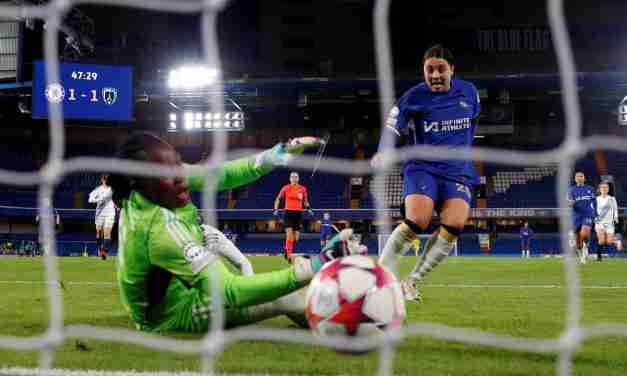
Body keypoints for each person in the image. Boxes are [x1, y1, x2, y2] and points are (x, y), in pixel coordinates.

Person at [109, 132, 359, 333]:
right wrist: (318, 264)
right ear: (140, 183)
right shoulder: (159, 230)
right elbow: (230, 291)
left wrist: (278, 154)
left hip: (175, 282)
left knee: (207, 235)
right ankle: (347, 327)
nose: (179, 174)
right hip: (172, 313)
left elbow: (221, 174)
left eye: (177, 163)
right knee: (288, 299)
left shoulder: (153, 186)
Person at [373, 44, 480, 302]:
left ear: (451, 70)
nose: (435, 75)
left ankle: (412, 281)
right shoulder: (414, 96)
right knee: (417, 221)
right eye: (429, 70)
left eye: (440, 69)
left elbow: (472, 125)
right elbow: (392, 125)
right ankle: (379, 278)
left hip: (457, 171)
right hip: (423, 167)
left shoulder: (470, 93)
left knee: (454, 225)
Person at [273, 172, 314, 263]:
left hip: (298, 214)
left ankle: (286, 248)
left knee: (296, 238)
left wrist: (309, 209)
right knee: (289, 235)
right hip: (288, 213)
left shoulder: (303, 189)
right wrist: (276, 209)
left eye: (296, 177)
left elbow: (306, 201)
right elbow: (278, 199)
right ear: (290, 179)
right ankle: (289, 255)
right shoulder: (285, 188)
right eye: (292, 177)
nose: (294, 178)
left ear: (298, 179)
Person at [567, 171, 596, 264]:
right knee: (578, 243)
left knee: (584, 234)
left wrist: (595, 211)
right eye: (578, 176)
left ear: (584, 178)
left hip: (587, 214)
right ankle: (581, 255)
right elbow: (569, 202)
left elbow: (594, 201)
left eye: (581, 176)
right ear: (575, 179)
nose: (579, 178)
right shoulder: (571, 190)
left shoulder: (590, 189)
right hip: (576, 216)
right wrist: (570, 203)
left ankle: (586, 247)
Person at [88, 174, 116, 260]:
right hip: (100, 213)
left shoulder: (112, 189)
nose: (106, 181)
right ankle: (100, 248)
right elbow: (90, 199)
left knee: (107, 233)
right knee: (99, 233)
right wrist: (97, 199)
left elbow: (113, 198)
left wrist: (116, 205)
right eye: (105, 179)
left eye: (107, 179)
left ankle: (104, 251)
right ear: (102, 180)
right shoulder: (97, 190)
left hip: (110, 213)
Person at [594, 181, 618, 262]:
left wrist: (616, 218)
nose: (604, 189)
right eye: (602, 187)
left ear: (608, 189)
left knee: (609, 241)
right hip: (599, 222)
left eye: (606, 187)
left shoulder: (612, 199)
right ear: (600, 189)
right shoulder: (596, 199)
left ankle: (616, 241)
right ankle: (599, 256)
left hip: (609, 223)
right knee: (601, 240)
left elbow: (615, 209)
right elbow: (593, 209)